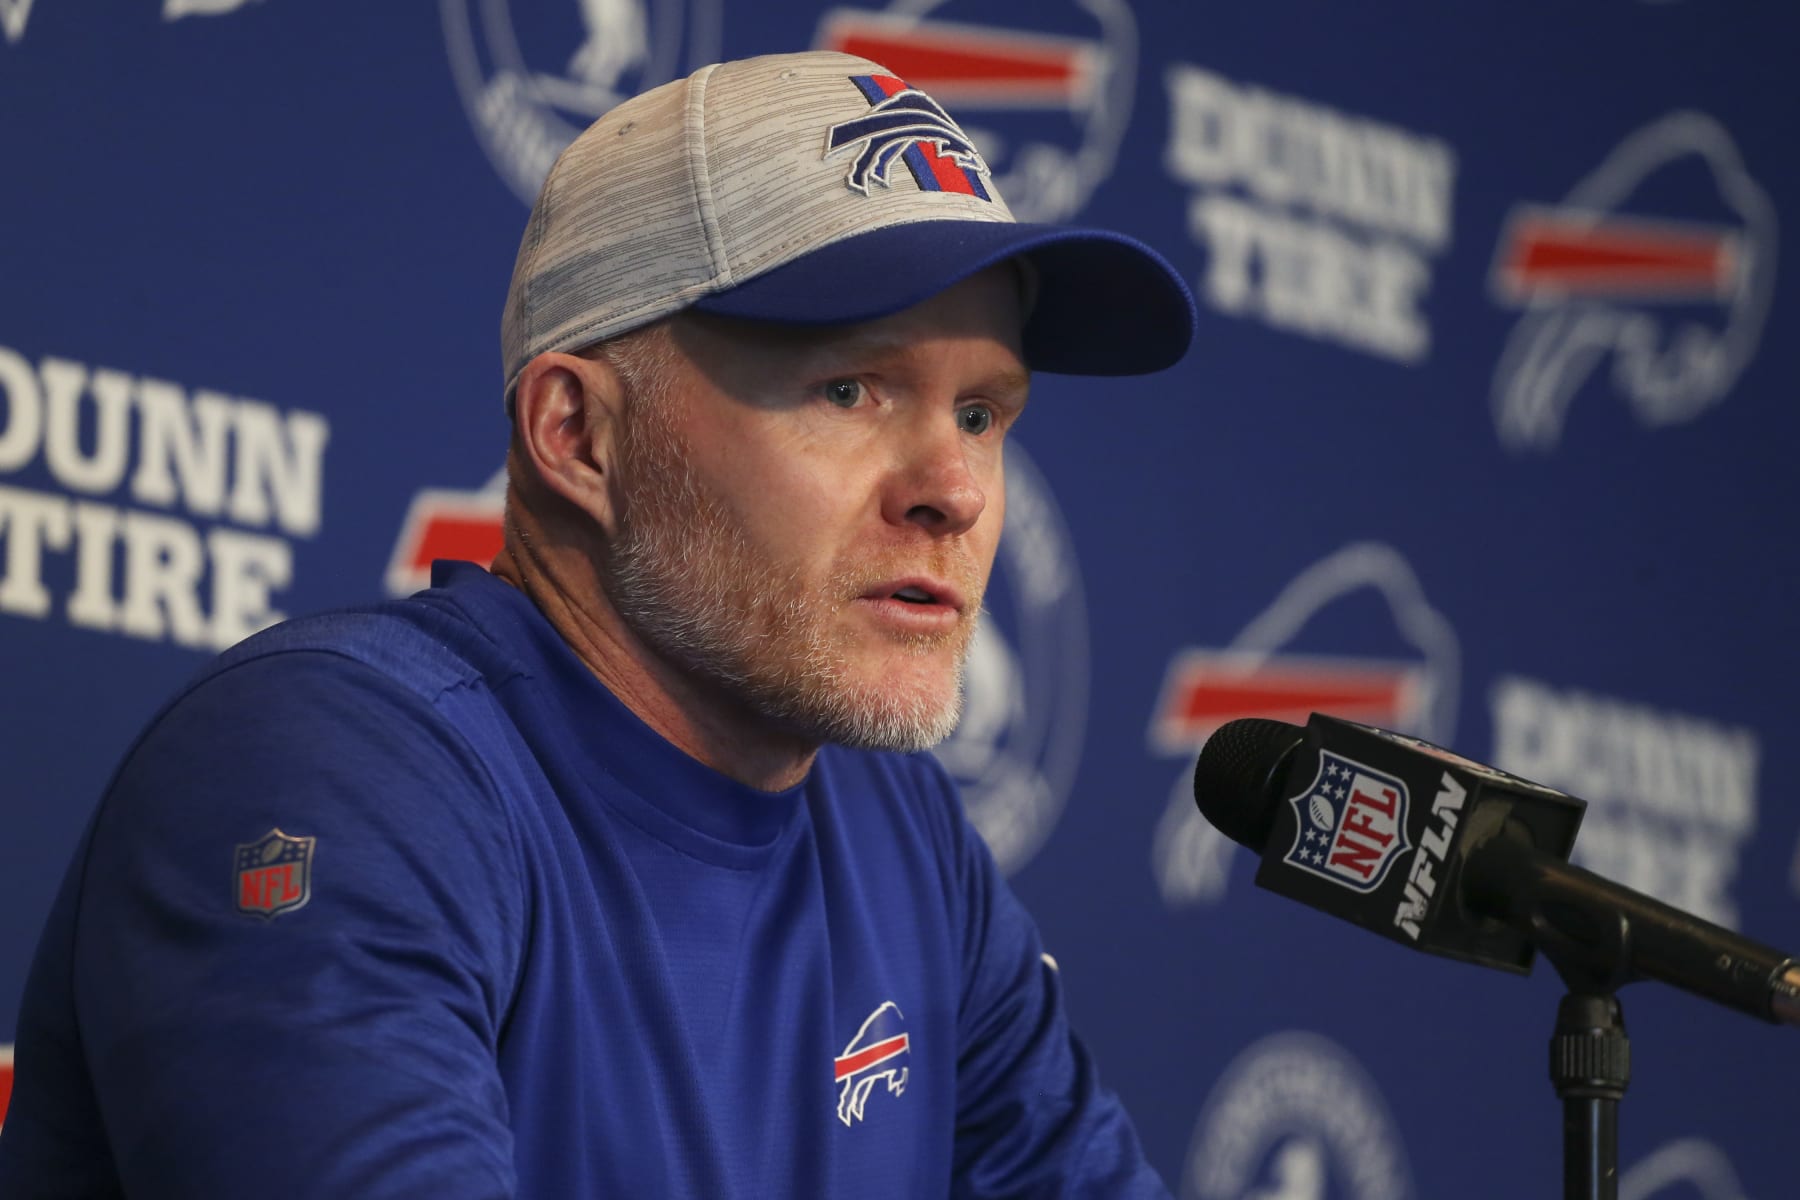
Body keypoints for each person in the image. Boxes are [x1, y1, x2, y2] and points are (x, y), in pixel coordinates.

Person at [0, 50, 1195, 1197]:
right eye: (851, 390)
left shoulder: (908, 843)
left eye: (984, 414)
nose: (960, 491)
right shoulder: (331, 770)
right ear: (578, 435)